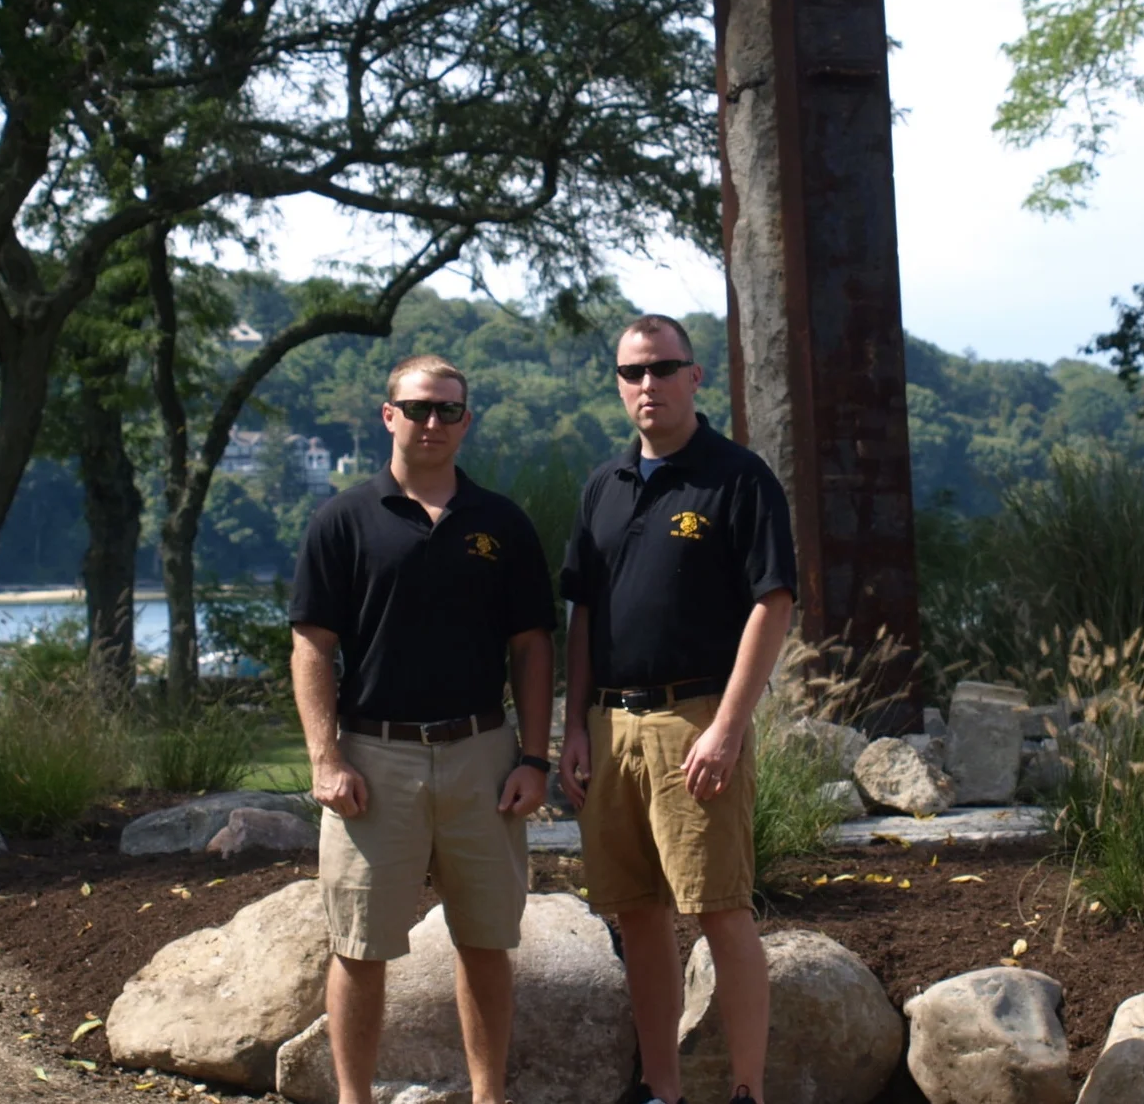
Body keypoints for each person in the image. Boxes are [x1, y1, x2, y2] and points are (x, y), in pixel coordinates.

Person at [289, 354, 555, 1104]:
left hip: (482, 755)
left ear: (466, 421)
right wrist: (325, 758)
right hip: (374, 760)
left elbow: (533, 646)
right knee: (358, 946)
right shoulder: (342, 520)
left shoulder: (501, 523)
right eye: (417, 408)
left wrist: (534, 758)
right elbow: (312, 645)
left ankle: (488, 1097)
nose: (432, 422)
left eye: (448, 410)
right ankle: (354, 1099)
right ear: (389, 416)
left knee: (486, 941)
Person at [559, 315, 797, 1104]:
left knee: (720, 909)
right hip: (609, 726)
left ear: (695, 376)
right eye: (632, 372)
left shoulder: (738, 478)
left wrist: (727, 727)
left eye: (662, 368)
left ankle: (746, 1091)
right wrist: (573, 727)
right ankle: (662, 1091)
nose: (647, 384)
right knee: (636, 914)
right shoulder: (604, 484)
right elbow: (582, 614)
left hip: (694, 721)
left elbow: (772, 603)